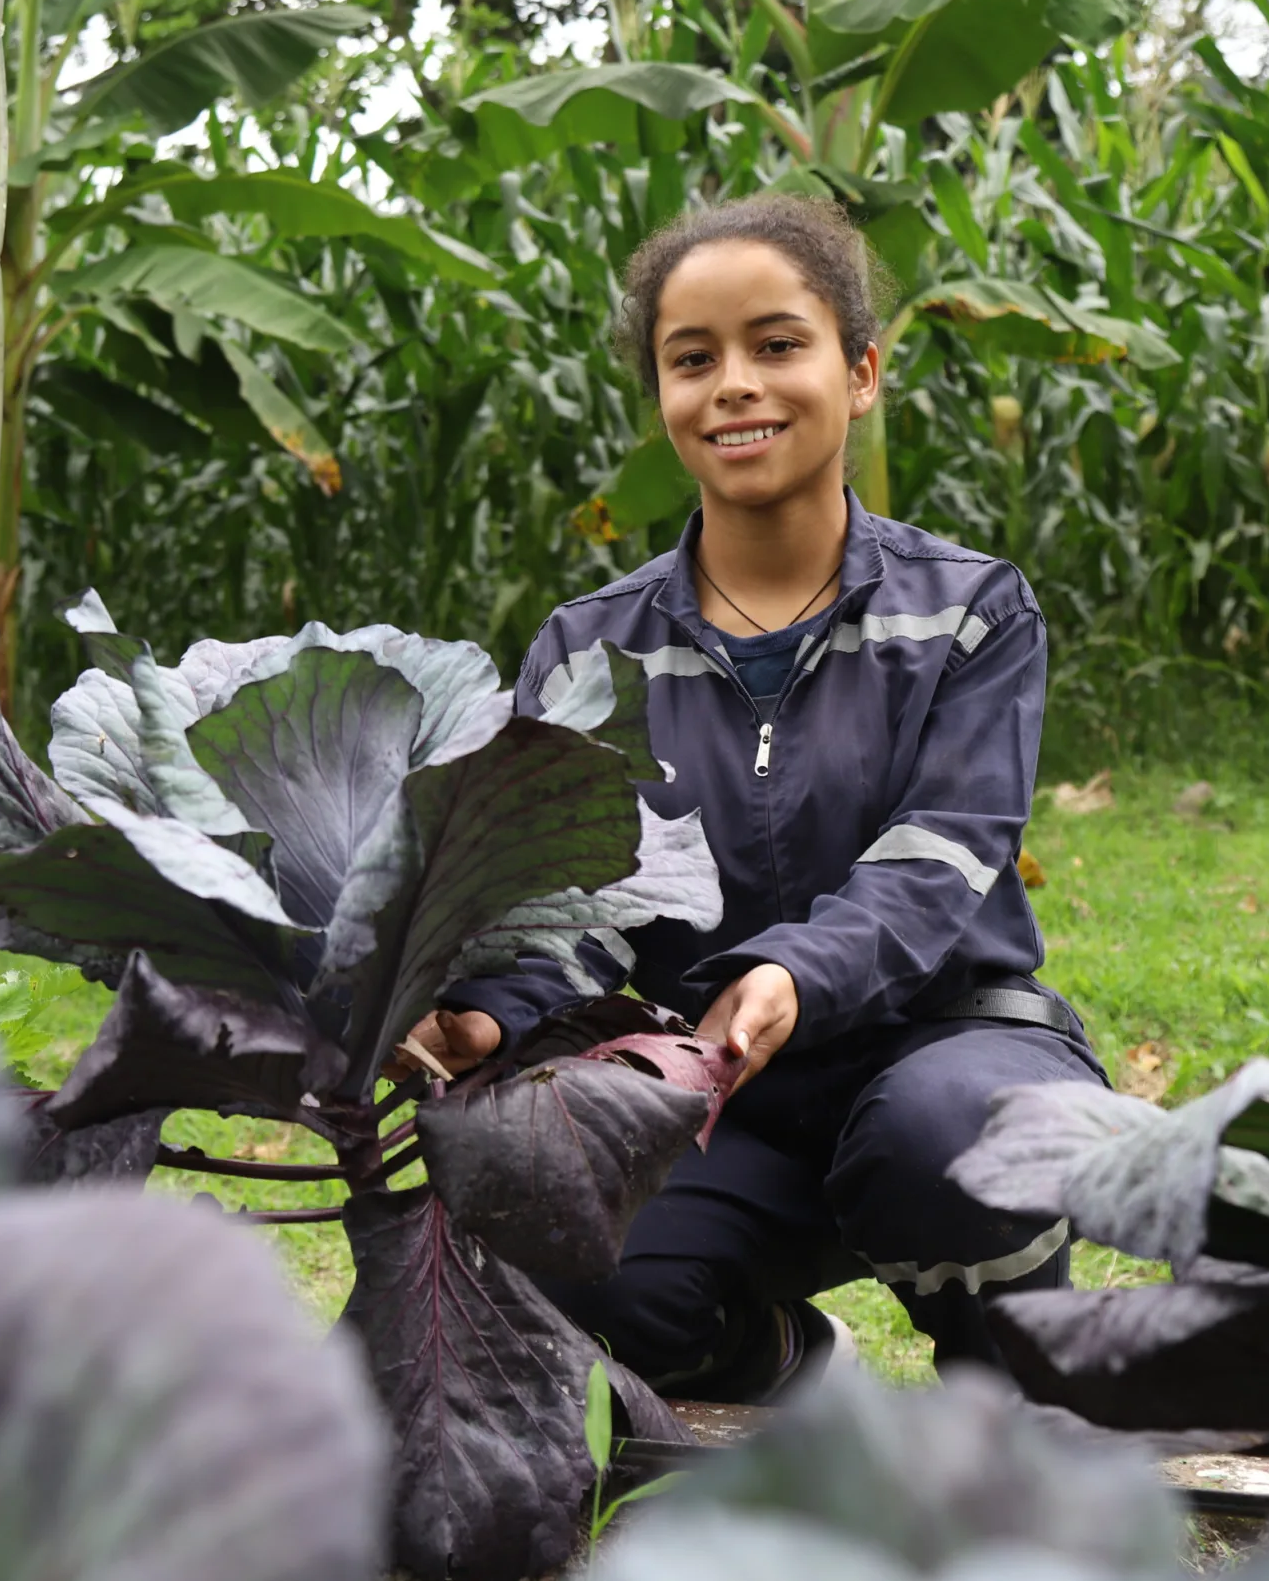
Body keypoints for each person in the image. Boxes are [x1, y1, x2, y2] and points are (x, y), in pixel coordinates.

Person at [399, 192, 1109, 1403]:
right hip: (714, 1094)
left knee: (942, 1145)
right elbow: (570, 904)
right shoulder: (586, 650)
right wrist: (484, 1016)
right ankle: (774, 1357)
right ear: (662, 399)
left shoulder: (968, 611)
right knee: (575, 1273)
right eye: (693, 360)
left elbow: (942, 857)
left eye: (777, 345)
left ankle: (1016, 1364)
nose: (734, 384)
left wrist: (792, 972)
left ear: (862, 370)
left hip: (953, 1045)